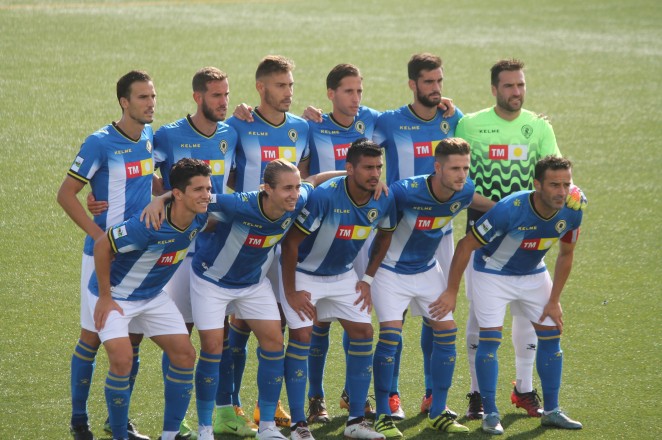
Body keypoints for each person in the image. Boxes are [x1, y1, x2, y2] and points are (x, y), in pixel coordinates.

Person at [432, 155, 585, 435]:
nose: (562, 192)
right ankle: (490, 413)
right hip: (491, 274)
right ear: (537, 185)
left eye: (566, 184)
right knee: (490, 340)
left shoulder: (573, 209)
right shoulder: (509, 210)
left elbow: (566, 254)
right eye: (554, 185)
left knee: (552, 335)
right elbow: (466, 245)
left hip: (533, 274)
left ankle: (552, 410)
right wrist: (452, 290)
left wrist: (554, 300)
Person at [366, 138, 494, 438]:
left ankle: (438, 410)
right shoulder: (404, 192)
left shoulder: (463, 191)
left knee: (446, 332)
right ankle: (383, 413)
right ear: (437, 168)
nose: (461, 174)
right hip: (390, 272)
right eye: (454, 168)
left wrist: (511, 209)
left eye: (465, 167)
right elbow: (369, 208)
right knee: (390, 336)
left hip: (427, 271)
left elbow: (478, 201)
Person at [455, 58, 561, 420]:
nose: (516, 92)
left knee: (528, 314)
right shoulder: (470, 124)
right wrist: (503, 208)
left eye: (521, 85)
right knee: (481, 319)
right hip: (484, 234)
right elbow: (459, 184)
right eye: (509, 86)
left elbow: (555, 177)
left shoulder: (538, 126)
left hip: (530, 238)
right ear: (494, 89)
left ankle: (524, 389)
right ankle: (476, 394)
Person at [57, 70, 155, 440]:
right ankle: (78, 420)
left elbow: (149, 184)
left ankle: (121, 421)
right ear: (124, 102)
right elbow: (66, 193)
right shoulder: (99, 143)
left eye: (153, 96)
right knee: (91, 338)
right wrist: (100, 236)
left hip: (138, 257)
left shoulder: (148, 137)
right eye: (143, 98)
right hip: (102, 256)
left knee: (131, 340)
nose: (150, 104)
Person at [151, 67, 247, 438]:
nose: (223, 102)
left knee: (216, 333)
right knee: (180, 333)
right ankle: (177, 419)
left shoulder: (230, 132)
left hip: (216, 245)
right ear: (198, 97)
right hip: (178, 251)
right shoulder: (169, 134)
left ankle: (221, 412)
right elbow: (149, 173)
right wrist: (161, 199)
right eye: (216, 96)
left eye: (226, 94)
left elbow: (234, 178)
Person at [280, 138, 397, 440]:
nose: (375, 174)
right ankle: (298, 425)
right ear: (349, 169)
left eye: (379, 167)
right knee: (302, 335)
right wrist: (291, 292)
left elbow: (385, 237)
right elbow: (291, 243)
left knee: (363, 333)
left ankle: (355, 421)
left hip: (343, 276)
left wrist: (367, 279)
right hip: (305, 274)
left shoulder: (383, 198)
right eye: (368, 167)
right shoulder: (325, 197)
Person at [91, 158, 214, 440]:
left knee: (185, 355)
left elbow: (215, 200)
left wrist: (163, 195)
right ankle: (120, 435)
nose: (206, 195)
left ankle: (170, 434)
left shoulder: (201, 212)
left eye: (208, 189)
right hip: (116, 296)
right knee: (122, 361)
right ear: (180, 193)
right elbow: (102, 245)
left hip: (152, 297)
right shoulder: (147, 224)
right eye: (198, 190)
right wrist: (105, 297)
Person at [220, 55, 311, 430]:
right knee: (239, 321)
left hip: (286, 239)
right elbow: (225, 176)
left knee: (280, 321)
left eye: (290, 85)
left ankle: (267, 406)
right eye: (280, 85)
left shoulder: (303, 127)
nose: (288, 92)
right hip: (245, 240)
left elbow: (303, 180)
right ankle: (231, 404)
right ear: (261, 88)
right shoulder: (238, 125)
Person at [372, 53, 464, 419]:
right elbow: (357, 148)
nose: (436, 88)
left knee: (437, 312)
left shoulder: (453, 118)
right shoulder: (390, 121)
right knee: (390, 318)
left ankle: (431, 394)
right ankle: (388, 395)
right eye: (428, 82)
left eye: (439, 81)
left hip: (440, 234)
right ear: (412, 84)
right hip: (397, 231)